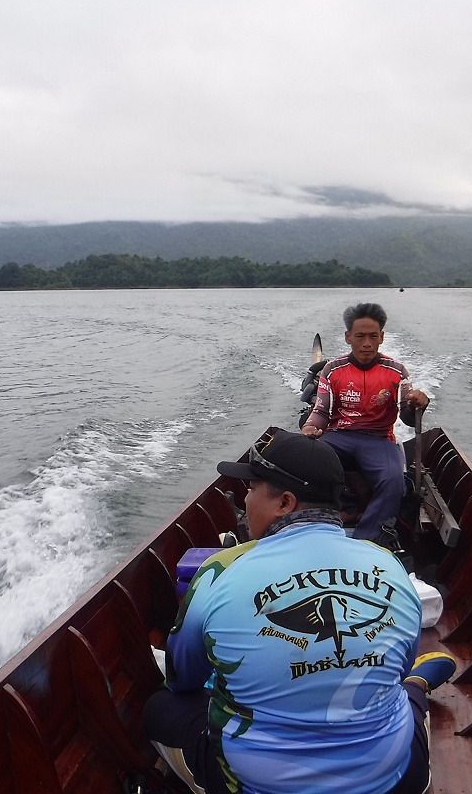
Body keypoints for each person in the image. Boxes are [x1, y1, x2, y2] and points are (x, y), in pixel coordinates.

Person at [142, 431, 455, 794]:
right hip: (395, 782)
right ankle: (420, 682)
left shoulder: (220, 570)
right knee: (401, 689)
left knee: (161, 707)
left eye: (251, 488)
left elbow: (183, 679)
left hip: (254, 786)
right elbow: (395, 670)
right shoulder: (387, 563)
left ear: (285, 502)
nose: (244, 501)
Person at [301, 303, 429, 543]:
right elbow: (321, 411)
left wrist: (417, 404)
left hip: (378, 438)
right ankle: (319, 526)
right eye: (360, 336)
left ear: (382, 337)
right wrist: (309, 427)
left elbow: (408, 418)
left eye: (373, 336)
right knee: (307, 465)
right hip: (338, 436)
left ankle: (370, 539)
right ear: (348, 337)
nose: (367, 343)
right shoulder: (332, 370)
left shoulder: (397, 372)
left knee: (394, 480)